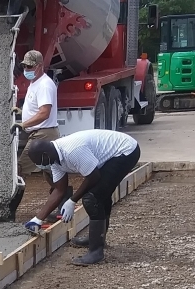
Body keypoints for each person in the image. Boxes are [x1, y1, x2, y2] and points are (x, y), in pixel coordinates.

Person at [22, 129, 141, 266]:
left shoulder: (72, 150)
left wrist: (72, 200)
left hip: (125, 152)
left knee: (92, 199)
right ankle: (97, 239)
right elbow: (59, 190)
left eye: (39, 162)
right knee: (101, 194)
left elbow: (93, 176)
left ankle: (96, 251)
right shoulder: (54, 160)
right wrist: (38, 219)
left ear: (45, 154)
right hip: (112, 155)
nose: (40, 166)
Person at [10, 50, 72, 223]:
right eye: (24, 66)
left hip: (43, 134)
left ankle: (9, 211)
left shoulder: (45, 84)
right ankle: (64, 203)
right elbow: (37, 109)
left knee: (19, 169)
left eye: (30, 66)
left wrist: (24, 124)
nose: (26, 69)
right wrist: (22, 113)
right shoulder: (34, 82)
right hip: (39, 131)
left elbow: (45, 113)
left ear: (39, 66)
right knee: (50, 172)